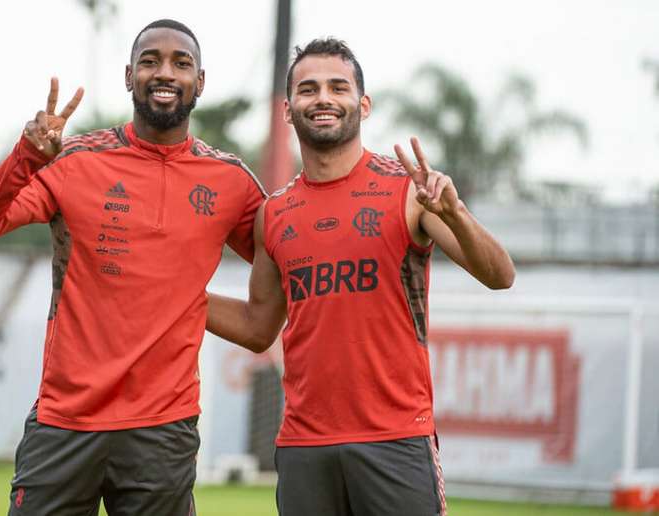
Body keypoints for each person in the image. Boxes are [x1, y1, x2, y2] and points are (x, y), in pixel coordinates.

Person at [0, 19, 265, 516]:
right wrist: (26, 157)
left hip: (163, 430)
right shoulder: (72, 159)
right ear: (128, 75)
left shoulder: (231, 182)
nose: (165, 72)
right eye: (149, 61)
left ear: (199, 82)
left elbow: (290, 261)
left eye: (181, 63)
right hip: (65, 421)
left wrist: (182, 301)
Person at [206, 38, 515, 516]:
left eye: (337, 87)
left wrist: (456, 216)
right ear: (289, 110)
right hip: (304, 446)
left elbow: (501, 276)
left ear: (363, 104)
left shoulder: (410, 192)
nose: (323, 98)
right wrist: (176, 294)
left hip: (395, 440)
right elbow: (256, 327)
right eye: (308, 90)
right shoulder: (275, 214)